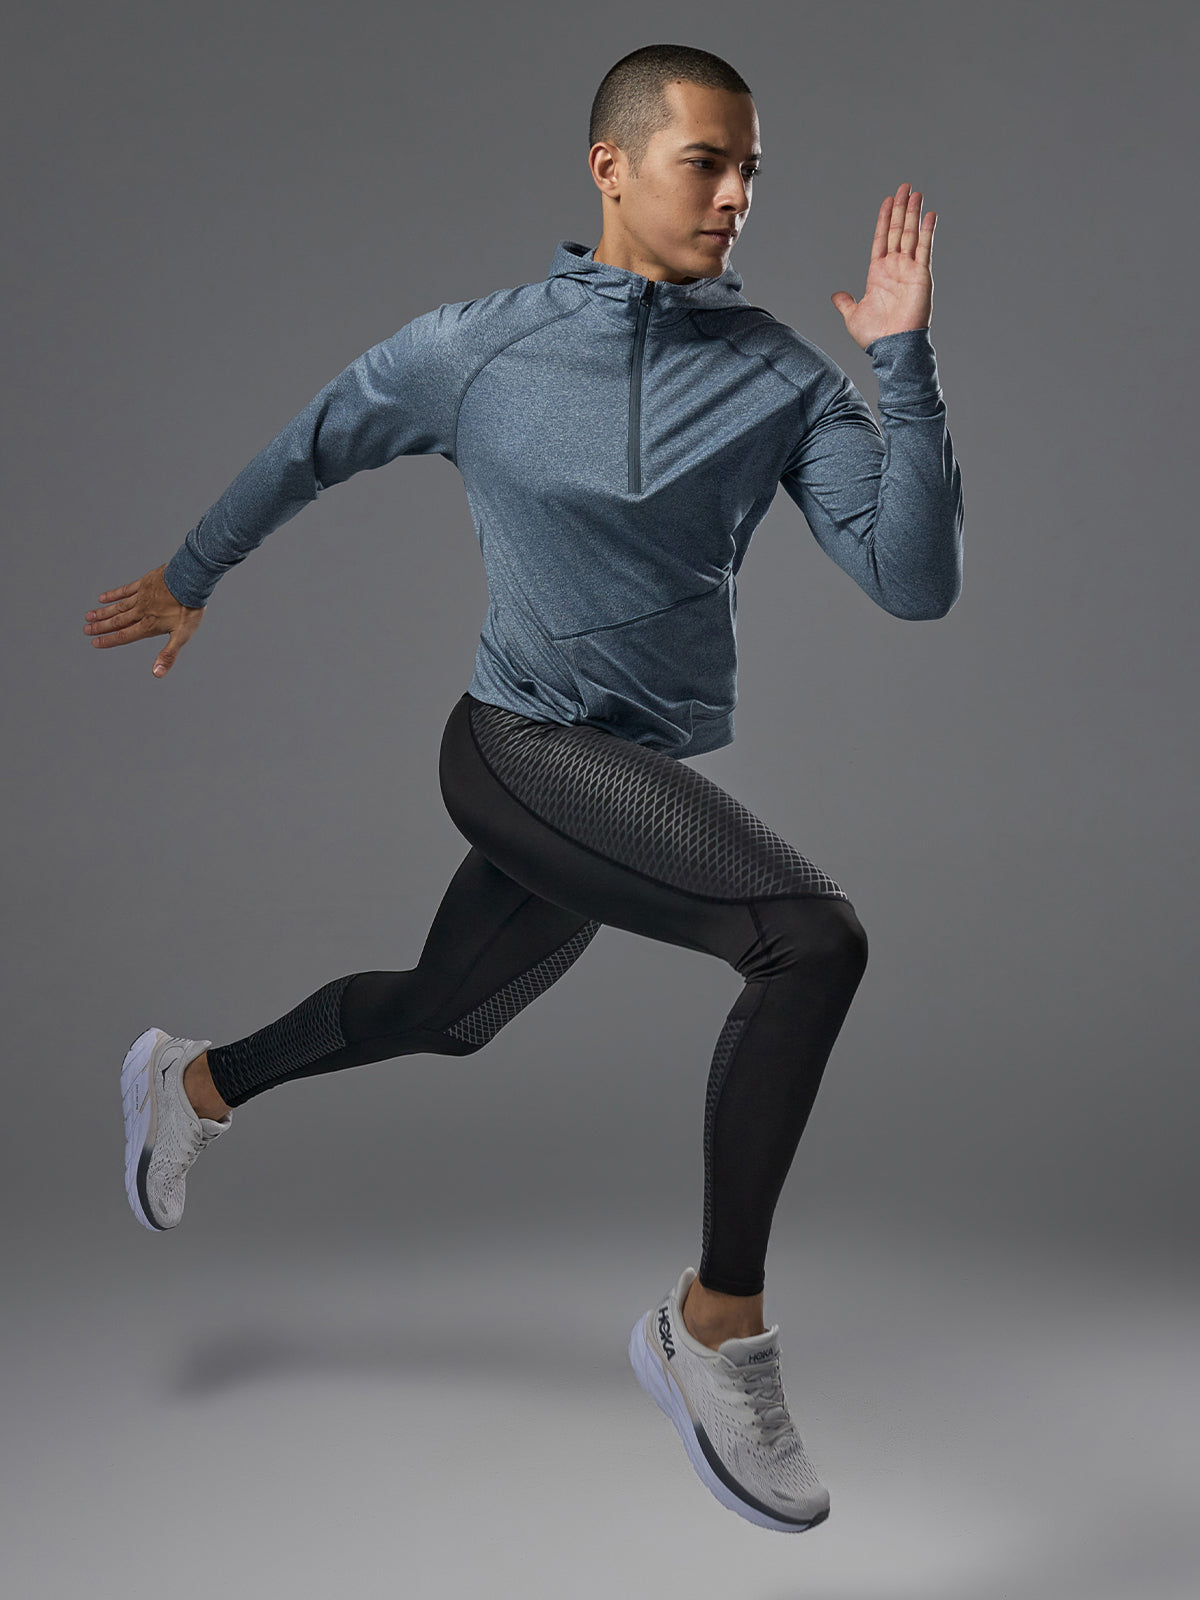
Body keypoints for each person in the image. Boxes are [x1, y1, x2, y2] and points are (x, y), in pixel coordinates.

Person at [86, 43, 963, 1534]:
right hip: (517, 750)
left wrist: (904, 363)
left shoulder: (776, 377)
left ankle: (193, 1080)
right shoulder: (479, 349)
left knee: (447, 1013)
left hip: (626, 776)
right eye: (707, 163)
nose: (738, 198)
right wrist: (191, 574)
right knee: (810, 942)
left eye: (753, 171)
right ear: (611, 167)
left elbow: (912, 579)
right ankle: (714, 1328)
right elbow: (317, 443)